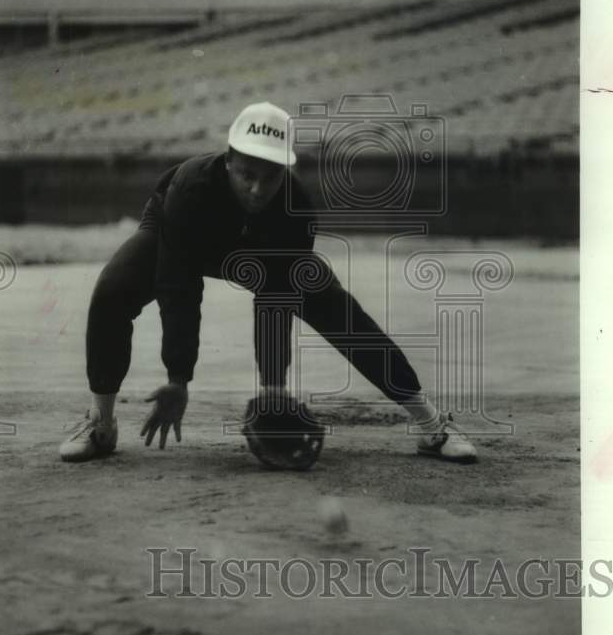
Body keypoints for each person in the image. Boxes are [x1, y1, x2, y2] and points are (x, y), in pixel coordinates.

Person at [60, 102, 477, 464]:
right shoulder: (190, 189)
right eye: (247, 174)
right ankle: (101, 424)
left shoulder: (295, 211)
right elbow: (179, 288)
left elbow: (275, 302)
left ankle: (431, 425)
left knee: (338, 310)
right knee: (112, 291)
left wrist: (273, 390)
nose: (258, 189)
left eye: (271, 176)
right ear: (228, 161)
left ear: (286, 171)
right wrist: (178, 379)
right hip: (182, 231)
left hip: (260, 246)